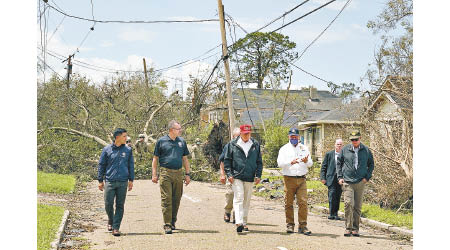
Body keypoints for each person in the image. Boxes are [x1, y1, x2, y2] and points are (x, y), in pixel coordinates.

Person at [152, 120, 191, 234]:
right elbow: (155, 159)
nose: (180, 131)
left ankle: (173, 221)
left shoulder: (182, 142)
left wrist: (187, 174)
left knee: (176, 198)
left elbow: (185, 159)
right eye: (178, 129)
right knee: (167, 199)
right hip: (165, 173)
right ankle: (167, 224)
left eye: (180, 129)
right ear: (171, 130)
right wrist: (154, 174)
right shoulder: (161, 141)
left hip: (178, 173)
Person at [224, 124, 263, 233]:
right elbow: (227, 160)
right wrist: (229, 174)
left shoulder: (255, 144)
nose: (247, 136)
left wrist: (258, 175)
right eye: (245, 134)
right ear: (240, 133)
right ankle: (239, 222)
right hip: (237, 175)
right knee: (239, 197)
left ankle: (244, 223)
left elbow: (259, 162)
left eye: (248, 134)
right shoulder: (232, 144)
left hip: (250, 176)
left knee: (246, 200)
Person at [97, 128, 135, 237]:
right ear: (117, 137)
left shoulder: (128, 150)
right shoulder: (107, 150)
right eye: (124, 136)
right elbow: (101, 165)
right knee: (108, 204)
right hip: (110, 181)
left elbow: (130, 165)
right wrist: (100, 180)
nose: (126, 138)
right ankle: (111, 219)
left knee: (120, 205)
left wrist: (131, 180)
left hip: (123, 182)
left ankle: (116, 227)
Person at [336, 130, 374, 237]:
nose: (354, 141)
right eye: (352, 140)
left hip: (360, 182)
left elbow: (371, 164)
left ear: (360, 138)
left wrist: (367, 177)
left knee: (357, 206)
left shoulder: (366, 150)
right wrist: (340, 177)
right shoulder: (344, 150)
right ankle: (348, 228)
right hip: (347, 182)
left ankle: (355, 228)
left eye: (356, 139)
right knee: (348, 204)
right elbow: (338, 163)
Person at [277, 128, 313, 235]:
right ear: (289, 137)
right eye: (292, 136)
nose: (294, 138)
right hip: (289, 178)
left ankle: (303, 226)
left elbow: (310, 163)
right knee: (288, 203)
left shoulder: (304, 148)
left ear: (298, 137)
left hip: (301, 178)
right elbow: (280, 163)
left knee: (303, 202)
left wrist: (307, 162)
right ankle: (290, 225)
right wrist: (290, 162)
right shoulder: (284, 149)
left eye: (295, 136)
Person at [219, 127, 240, 223]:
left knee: (240, 196)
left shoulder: (247, 146)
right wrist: (222, 174)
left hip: (242, 176)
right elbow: (222, 161)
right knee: (230, 195)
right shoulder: (228, 146)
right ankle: (227, 212)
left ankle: (237, 215)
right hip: (231, 175)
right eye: (237, 136)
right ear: (233, 137)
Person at [320, 139, 344, 220]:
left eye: (340, 144)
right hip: (331, 178)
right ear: (335, 145)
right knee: (332, 195)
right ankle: (331, 213)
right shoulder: (329, 154)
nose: (339, 146)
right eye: (338, 144)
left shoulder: (345, 155)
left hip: (340, 179)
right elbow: (324, 166)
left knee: (338, 196)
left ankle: (336, 214)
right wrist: (323, 177)